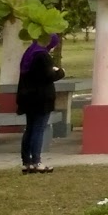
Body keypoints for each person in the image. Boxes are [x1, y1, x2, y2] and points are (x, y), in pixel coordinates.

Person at [16, 34, 65, 175]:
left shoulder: (30, 53)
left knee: (30, 129)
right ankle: (37, 161)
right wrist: (61, 72)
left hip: (28, 97)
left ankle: (26, 162)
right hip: (41, 98)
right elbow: (48, 76)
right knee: (38, 129)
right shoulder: (42, 56)